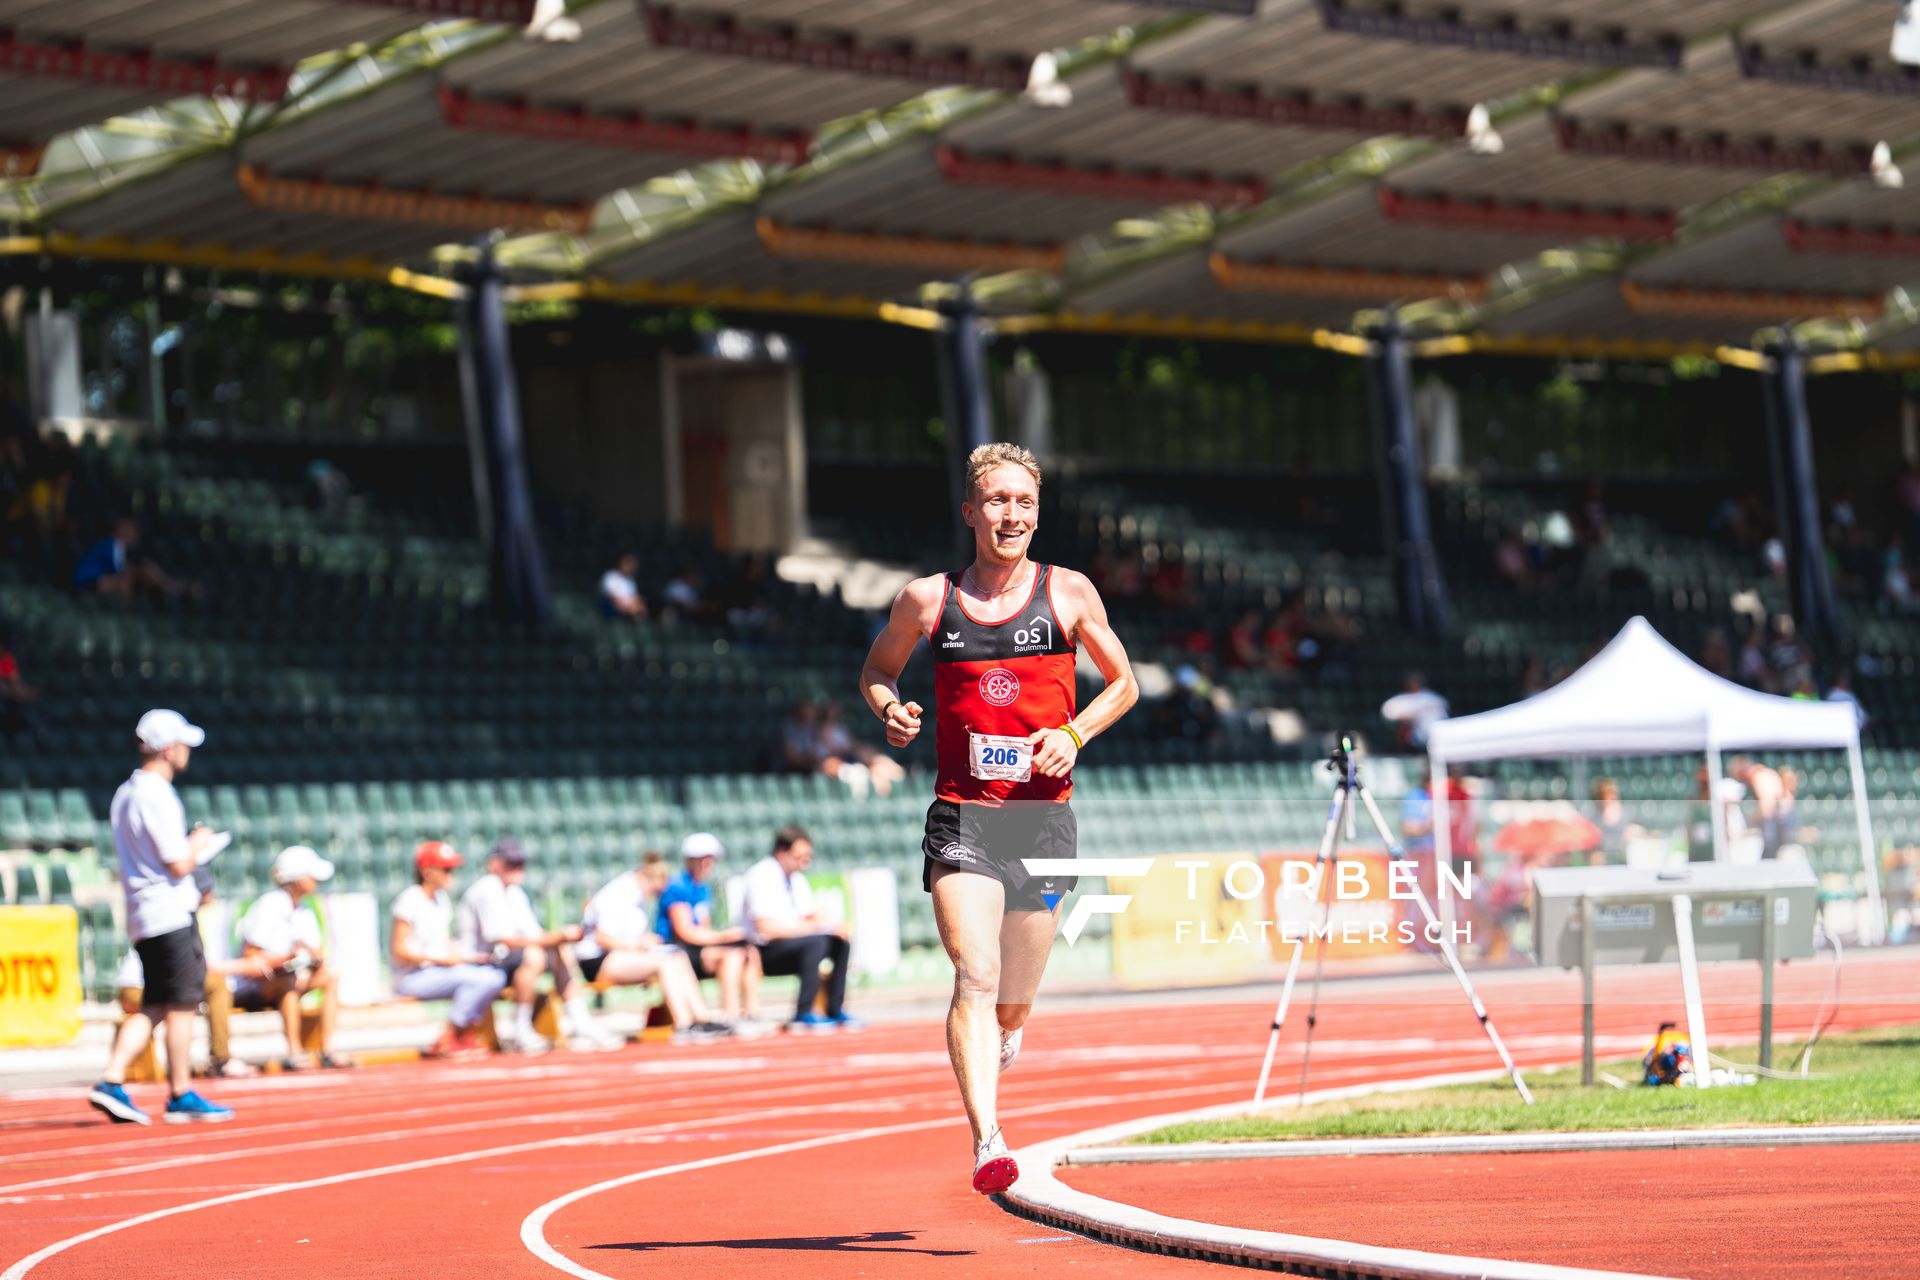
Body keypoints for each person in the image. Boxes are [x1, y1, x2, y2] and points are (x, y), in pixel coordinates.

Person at [857, 441, 1138, 1196]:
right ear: (971, 512)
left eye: (1024, 503)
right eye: (997, 501)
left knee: (1012, 997)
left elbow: (1124, 685)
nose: (1010, 514)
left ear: (1036, 514)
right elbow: (878, 671)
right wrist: (893, 710)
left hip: (1042, 822)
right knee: (974, 975)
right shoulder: (927, 600)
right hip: (963, 817)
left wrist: (1072, 734)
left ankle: (1010, 1030)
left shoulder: (1069, 593)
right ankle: (989, 1142)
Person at [88, 709, 233, 1125]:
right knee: (183, 1005)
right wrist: (200, 842)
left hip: (142, 912)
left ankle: (113, 1079)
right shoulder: (157, 794)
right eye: (183, 744)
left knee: (155, 1003)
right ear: (169, 749)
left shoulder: (126, 793)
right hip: (167, 911)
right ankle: (180, 1091)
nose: (187, 752)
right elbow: (177, 863)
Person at [457, 837, 615, 1052]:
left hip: (504, 961)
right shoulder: (487, 889)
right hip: (483, 963)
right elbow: (506, 940)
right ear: (494, 864)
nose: (517, 869)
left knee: (561, 950)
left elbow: (533, 935)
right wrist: (557, 936)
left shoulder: (514, 893)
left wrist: (559, 938)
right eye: (511, 863)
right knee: (536, 955)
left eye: (520, 863)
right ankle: (521, 1029)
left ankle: (580, 1022)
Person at [113, 865, 256, 1079]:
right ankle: (218, 1060)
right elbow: (193, 965)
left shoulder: (176, 912)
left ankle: (115, 1074)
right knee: (183, 1001)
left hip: (146, 982)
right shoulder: (180, 917)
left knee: (206, 987)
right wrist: (245, 967)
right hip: (140, 985)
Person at [576, 850, 734, 1043]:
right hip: (598, 960)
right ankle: (683, 1024)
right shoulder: (621, 892)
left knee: (678, 956)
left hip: (619, 956)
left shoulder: (636, 895)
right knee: (665, 963)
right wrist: (639, 945)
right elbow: (603, 939)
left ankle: (701, 1018)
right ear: (649, 879)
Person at [230, 846, 353, 1071]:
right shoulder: (270, 904)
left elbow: (315, 956)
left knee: (329, 977)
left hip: (285, 980)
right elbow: (251, 956)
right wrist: (287, 958)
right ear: (296, 879)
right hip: (253, 987)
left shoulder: (303, 909)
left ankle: (327, 1049)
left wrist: (314, 959)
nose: (316, 880)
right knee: (289, 980)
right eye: (310, 875)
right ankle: (294, 1052)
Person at [390, 840, 507, 1061]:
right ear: (427, 871)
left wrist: (465, 957)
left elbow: (444, 943)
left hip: (435, 972)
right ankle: (452, 1036)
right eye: (446, 869)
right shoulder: (409, 900)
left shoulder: (441, 900)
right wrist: (440, 959)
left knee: (490, 975)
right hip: (412, 976)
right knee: (484, 979)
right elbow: (399, 950)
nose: (451, 874)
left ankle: (460, 1035)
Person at [740, 826, 856, 1034]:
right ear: (781, 852)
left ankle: (835, 1009)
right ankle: (803, 1013)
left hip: (792, 945)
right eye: (799, 857)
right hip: (763, 951)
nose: (804, 863)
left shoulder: (796, 878)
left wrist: (834, 926)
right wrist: (812, 928)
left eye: (807, 857)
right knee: (815, 942)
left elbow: (811, 915)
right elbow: (766, 930)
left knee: (839, 942)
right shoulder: (761, 875)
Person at [656, 833, 765, 1030]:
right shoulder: (678, 886)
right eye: (704, 859)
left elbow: (703, 928)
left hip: (698, 947)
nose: (708, 864)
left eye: (710, 859)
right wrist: (724, 937)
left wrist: (725, 938)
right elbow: (685, 932)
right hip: (678, 949)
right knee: (732, 955)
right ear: (692, 860)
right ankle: (729, 1014)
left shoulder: (703, 888)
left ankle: (751, 1012)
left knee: (749, 952)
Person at [72, 518, 195, 601]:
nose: (134, 535)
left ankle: (168, 586)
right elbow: (118, 569)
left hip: (96, 579)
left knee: (142, 569)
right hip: (86, 582)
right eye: (131, 531)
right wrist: (137, 570)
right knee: (131, 577)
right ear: (121, 530)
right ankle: (170, 586)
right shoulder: (113, 544)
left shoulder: (116, 546)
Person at [814, 701, 906, 799]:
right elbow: (833, 752)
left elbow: (853, 745)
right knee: (860, 774)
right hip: (833, 765)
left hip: (851, 760)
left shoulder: (840, 728)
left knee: (879, 766)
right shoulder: (820, 730)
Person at [1381, 672, 1448, 749]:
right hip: (1413, 734)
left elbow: (1443, 708)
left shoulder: (1432, 696)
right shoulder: (1399, 699)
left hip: (1437, 731)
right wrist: (1412, 715)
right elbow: (1388, 714)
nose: (1415, 683)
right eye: (1412, 681)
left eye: (1417, 681)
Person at [599, 553, 648, 621]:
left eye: (632, 566)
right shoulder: (610, 575)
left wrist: (637, 603)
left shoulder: (631, 581)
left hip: (628, 607)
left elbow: (634, 598)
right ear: (621, 563)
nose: (630, 567)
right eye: (628, 564)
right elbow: (611, 596)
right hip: (611, 605)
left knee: (641, 605)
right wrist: (625, 605)